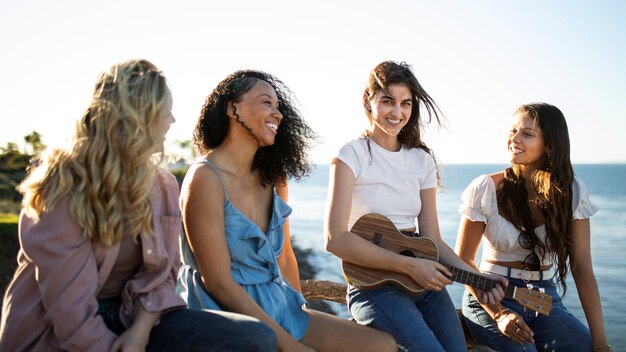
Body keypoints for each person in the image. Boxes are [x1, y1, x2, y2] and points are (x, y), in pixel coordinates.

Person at [0, 59, 277, 352]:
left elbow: (162, 276)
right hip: (56, 330)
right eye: (166, 112)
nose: (172, 122)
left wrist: (141, 332)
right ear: (139, 117)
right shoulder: (63, 187)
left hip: (136, 316)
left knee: (254, 339)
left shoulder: (162, 184)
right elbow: (71, 316)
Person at [176, 69, 397, 352]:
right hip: (224, 312)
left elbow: (285, 258)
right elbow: (218, 283)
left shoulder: (274, 176)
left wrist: (299, 307)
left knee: (383, 346)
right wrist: (292, 346)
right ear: (233, 108)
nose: (277, 113)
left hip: (278, 304)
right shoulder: (205, 178)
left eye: (279, 106)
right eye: (266, 102)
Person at [323, 60, 507, 352]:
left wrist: (478, 279)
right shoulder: (351, 155)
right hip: (374, 288)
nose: (397, 113)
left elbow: (432, 239)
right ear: (367, 102)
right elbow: (336, 239)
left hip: (422, 285)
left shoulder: (421, 160)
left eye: (405, 103)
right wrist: (410, 265)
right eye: (387, 101)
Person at [455, 102, 612, 351]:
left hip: (544, 299)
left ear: (549, 146)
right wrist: (499, 313)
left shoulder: (571, 192)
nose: (514, 139)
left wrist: (600, 342)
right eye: (513, 130)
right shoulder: (485, 188)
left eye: (527, 134)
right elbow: (462, 260)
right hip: (489, 294)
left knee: (583, 346)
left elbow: (582, 267)